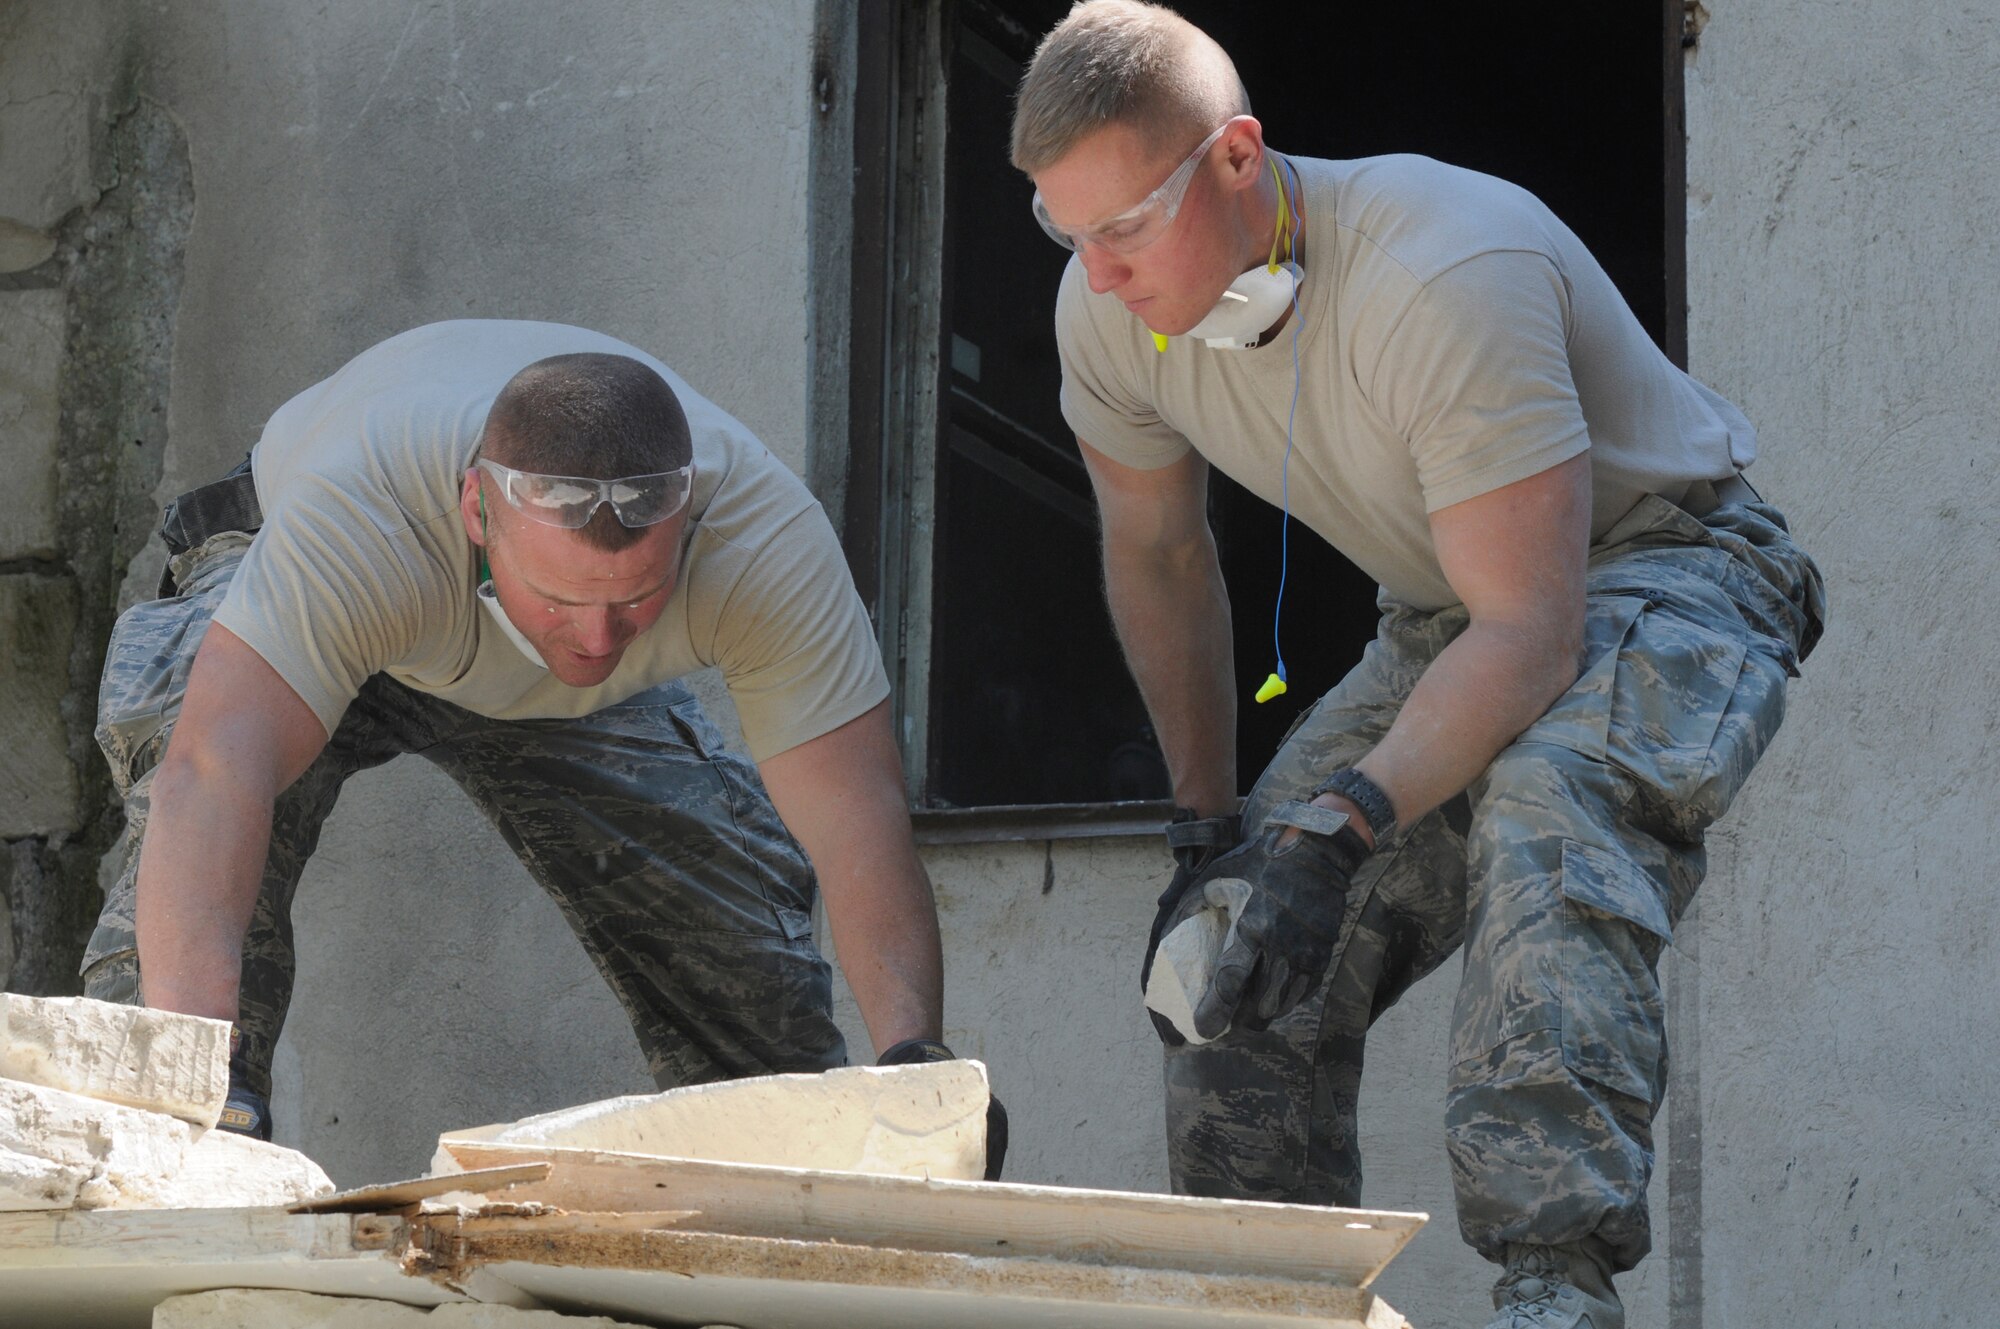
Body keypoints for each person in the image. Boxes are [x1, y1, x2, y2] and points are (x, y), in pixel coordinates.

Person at [1012, 4, 1823, 1325]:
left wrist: (1344, 825)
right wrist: (1206, 833)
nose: (1097, 276)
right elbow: (1162, 561)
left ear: (1235, 159)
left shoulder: (1442, 269)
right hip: (1451, 615)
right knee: (1237, 956)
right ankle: (1267, 1299)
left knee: (1549, 807)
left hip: (1673, 569)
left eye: (1125, 226)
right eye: (1065, 230)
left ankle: (1551, 1290)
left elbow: (1534, 636)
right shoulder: (1110, 321)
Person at [82, 319, 993, 1170]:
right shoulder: (366, 520)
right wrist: (190, 1090)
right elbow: (212, 773)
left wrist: (916, 1071)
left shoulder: (760, 539)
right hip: (306, 573)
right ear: (478, 510)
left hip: (529, 678)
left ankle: (793, 1195)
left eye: (635, 599)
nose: (598, 639)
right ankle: (169, 1157)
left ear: (685, 527)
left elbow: (857, 820)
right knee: (174, 941)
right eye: (562, 598)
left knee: (736, 926)